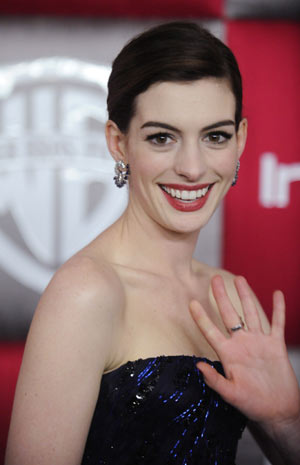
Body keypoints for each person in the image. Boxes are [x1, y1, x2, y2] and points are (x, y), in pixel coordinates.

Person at [5, 21, 300, 465]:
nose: (192, 167)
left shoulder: (232, 300)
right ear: (118, 143)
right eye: (162, 137)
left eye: (214, 136)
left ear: (240, 140)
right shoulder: (86, 293)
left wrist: (284, 420)